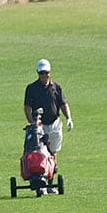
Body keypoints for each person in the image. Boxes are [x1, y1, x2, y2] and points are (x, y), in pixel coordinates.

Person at [23, 59, 73, 191]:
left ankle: (50, 183)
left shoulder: (56, 87)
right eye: (41, 73)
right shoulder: (32, 88)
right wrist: (32, 123)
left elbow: (63, 104)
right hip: (39, 125)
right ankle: (41, 182)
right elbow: (27, 107)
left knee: (52, 152)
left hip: (54, 124)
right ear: (38, 73)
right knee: (39, 152)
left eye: (46, 73)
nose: (44, 76)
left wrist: (68, 118)